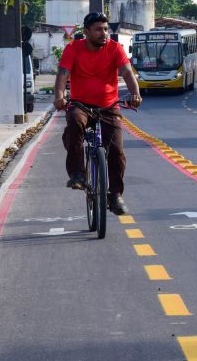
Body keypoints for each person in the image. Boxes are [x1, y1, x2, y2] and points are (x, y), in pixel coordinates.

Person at [53, 12, 142, 215]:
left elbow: (127, 72)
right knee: (74, 123)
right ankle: (77, 174)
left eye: (105, 29)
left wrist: (135, 93)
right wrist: (59, 96)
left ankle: (115, 195)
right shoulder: (73, 48)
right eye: (98, 30)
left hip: (109, 106)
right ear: (86, 32)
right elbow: (63, 73)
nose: (104, 34)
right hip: (80, 105)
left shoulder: (114, 48)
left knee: (117, 151)